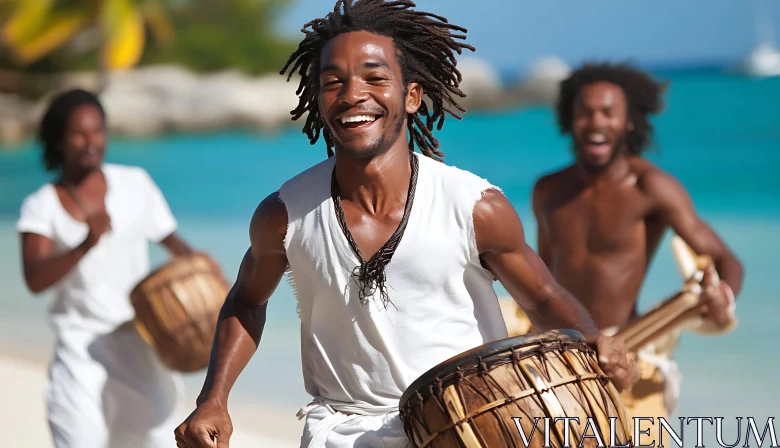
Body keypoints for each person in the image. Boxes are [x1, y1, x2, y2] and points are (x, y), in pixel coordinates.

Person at [175, 2, 637, 447]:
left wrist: (593, 339)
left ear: (411, 95)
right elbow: (247, 299)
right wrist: (212, 399)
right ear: (318, 99)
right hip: (340, 430)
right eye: (333, 82)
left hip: (468, 423)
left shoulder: (473, 206)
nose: (353, 94)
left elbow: (543, 297)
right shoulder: (284, 214)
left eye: (375, 78)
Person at [531, 62, 744, 437]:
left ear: (628, 122)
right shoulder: (548, 191)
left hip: (629, 345)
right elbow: (542, 278)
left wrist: (722, 297)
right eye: (585, 112)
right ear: (571, 120)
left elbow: (725, 258)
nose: (596, 122)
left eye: (608, 113)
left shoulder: (651, 187)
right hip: (560, 354)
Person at [16, 88, 222, 448]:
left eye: (98, 131)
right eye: (79, 134)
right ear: (59, 141)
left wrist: (204, 270)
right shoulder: (41, 205)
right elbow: (35, 278)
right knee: (79, 440)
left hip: (141, 339)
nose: (91, 142)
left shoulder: (134, 183)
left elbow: (173, 244)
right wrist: (85, 244)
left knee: (156, 440)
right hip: (80, 348)